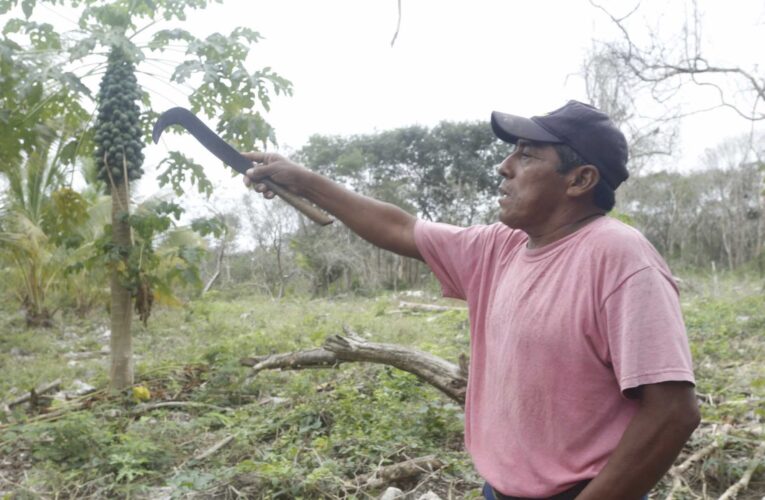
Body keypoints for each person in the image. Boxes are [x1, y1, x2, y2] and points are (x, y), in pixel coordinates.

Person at [242, 100, 699, 500]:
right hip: (499, 489)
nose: (505, 166)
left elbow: (673, 412)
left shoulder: (620, 258)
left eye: (526, 154)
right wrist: (300, 180)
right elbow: (399, 227)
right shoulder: (498, 247)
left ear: (580, 179)